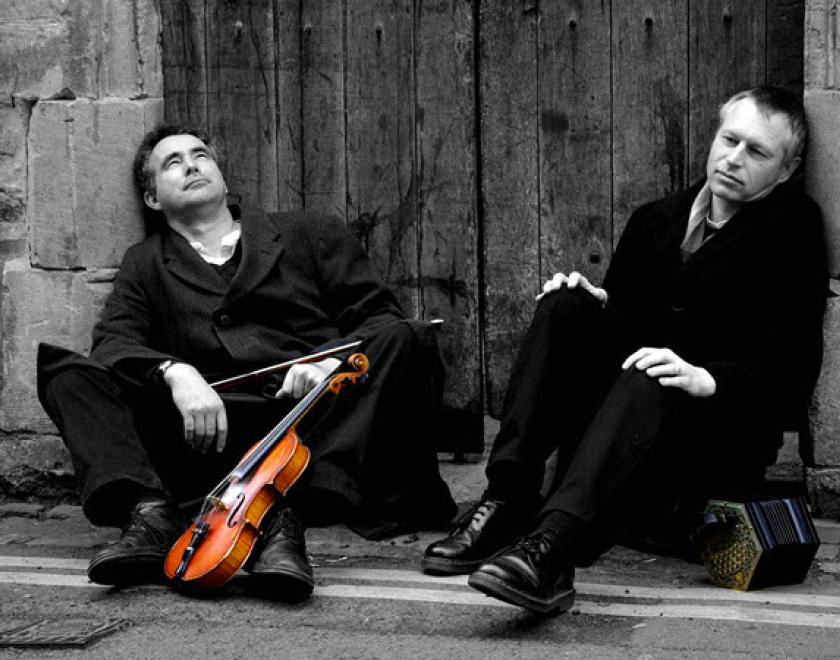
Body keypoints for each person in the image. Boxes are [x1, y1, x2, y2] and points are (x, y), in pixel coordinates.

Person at [422, 86, 827, 614]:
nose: (733, 159)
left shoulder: (793, 231)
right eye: (730, 139)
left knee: (654, 370)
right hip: (620, 437)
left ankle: (552, 552)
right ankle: (506, 503)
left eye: (757, 152)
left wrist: (706, 378)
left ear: (788, 169)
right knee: (564, 305)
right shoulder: (654, 218)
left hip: (706, 449)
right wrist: (597, 305)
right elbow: (624, 335)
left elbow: (793, 368)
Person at [37, 124, 455, 596]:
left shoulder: (309, 232)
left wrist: (325, 364)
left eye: (201, 156)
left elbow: (380, 318)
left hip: (315, 426)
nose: (192, 165)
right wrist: (176, 373)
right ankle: (150, 515)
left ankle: (285, 512)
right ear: (153, 199)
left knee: (406, 337)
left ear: (220, 173)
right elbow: (114, 343)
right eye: (172, 163)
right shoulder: (145, 261)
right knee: (66, 372)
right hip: (210, 435)